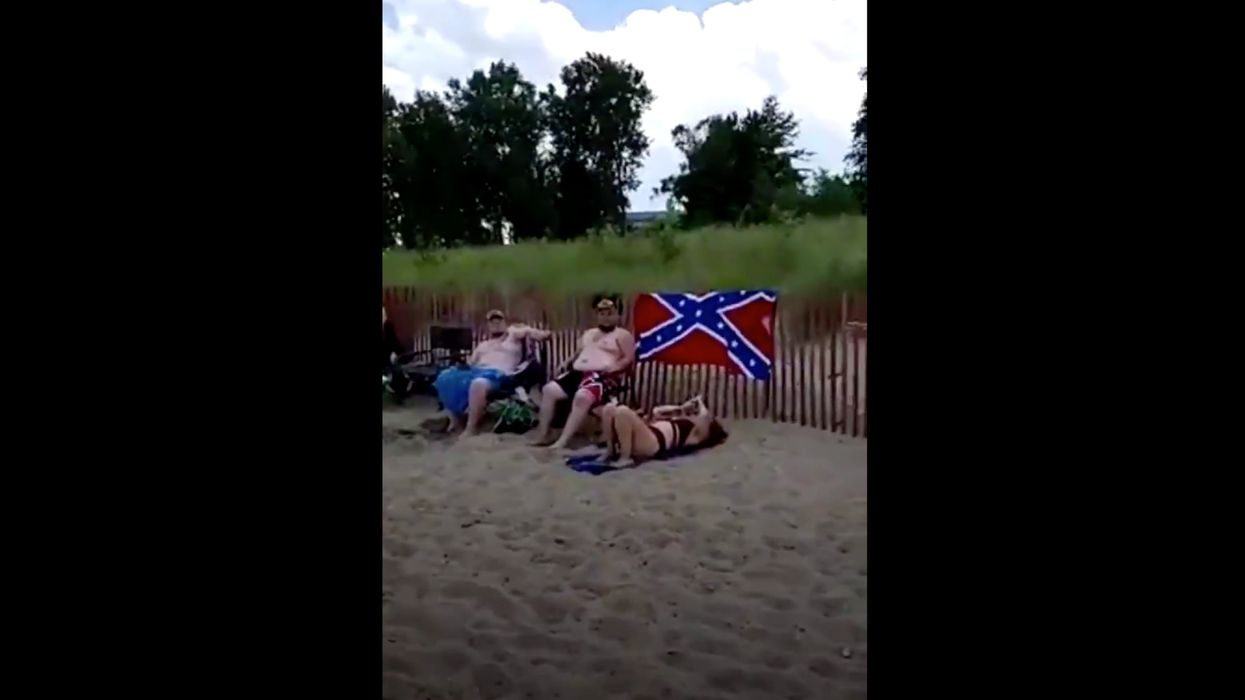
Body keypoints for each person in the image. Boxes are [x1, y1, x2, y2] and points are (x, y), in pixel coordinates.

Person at [530, 294, 636, 448]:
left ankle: (562, 441)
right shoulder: (589, 333)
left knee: (582, 397)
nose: (605, 318)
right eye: (602, 314)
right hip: (577, 373)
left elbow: (628, 358)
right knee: (549, 390)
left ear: (617, 315)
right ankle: (543, 435)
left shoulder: (622, 335)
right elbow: (580, 352)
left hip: (602, 376)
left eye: (609, 314)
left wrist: (614, 368)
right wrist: (567, 361)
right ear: (597, 315)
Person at [433, 309, 551, 436]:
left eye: (499, 321)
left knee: (478, 384)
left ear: (505, 323)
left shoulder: (512, 336)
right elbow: (471, 363)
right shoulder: (483, 345)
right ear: (488, 326)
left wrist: (540, 333)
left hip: (499, 374)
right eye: (492, 322)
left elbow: (532, 333)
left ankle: (471, 428)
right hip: (477, 371)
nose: (496, 324)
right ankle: (456, 421)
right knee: (445, 377)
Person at [598, 395, 728, 468]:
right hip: (646, 434)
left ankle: (625, 458)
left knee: (622, 412)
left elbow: (705, 416)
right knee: (609, 409)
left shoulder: (697, 434)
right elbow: (657, 411)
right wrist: (681, 407)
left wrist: (700, 403)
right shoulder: (679, 418)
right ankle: (610, 451)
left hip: (652, 443)